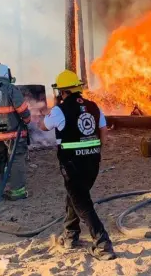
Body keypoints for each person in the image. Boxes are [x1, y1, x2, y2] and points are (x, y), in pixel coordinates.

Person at [40, 70, 116, 261]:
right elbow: (104, 132)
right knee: (75, 195)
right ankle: (71, 235)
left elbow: (43, 126)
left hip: (72, 163)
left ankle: (102, 244)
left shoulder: (60, 110)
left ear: (63, 91)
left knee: (82, 202)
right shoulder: (94, 106)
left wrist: (54, 109)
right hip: (92, 162)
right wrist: (94, 149)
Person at [0, 64, 31, 202]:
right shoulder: (11, 89)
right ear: (7, 75)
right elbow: (22, 109)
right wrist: (27, 120)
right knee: (16, 159)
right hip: (12, 133)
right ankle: (17, 191)